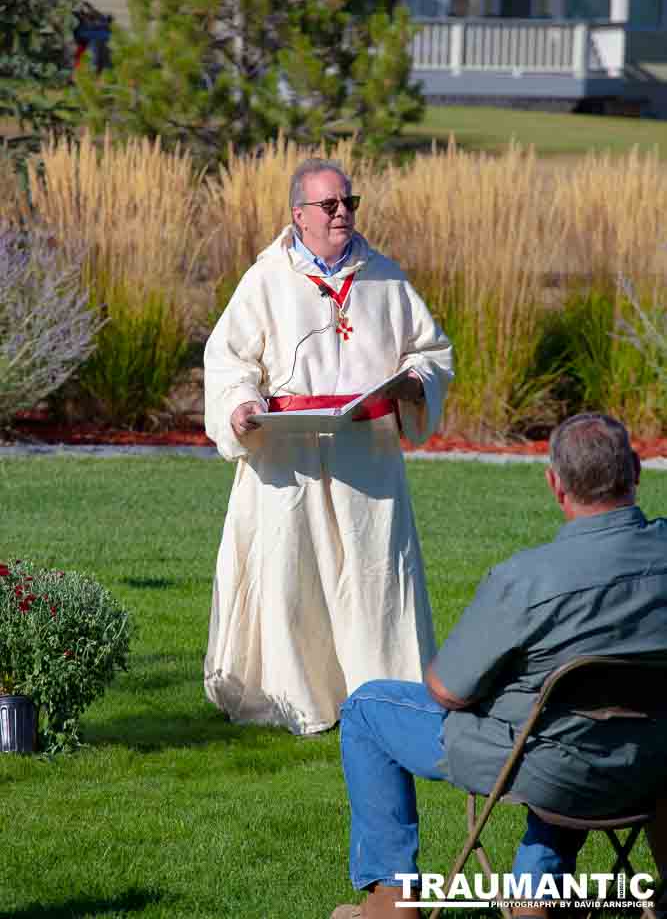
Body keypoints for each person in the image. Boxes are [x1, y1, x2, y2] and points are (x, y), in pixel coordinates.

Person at [333, 412, 667, 919]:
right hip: (650, 762)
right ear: (637, 472)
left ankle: (390, 902)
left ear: (554, 483)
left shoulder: (526, 580)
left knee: (365, 709)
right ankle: (534, 893)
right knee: (574, 728)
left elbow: (447, 690)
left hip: (550, 764)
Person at [203, 157, 453, 736]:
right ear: (299, 215)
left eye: (349, 203)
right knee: (291, 576)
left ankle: (380, 694)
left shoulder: (385, 277)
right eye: (330, 205)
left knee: (373, 576)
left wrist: (416, 380)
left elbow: (430, 350)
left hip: (365, 455)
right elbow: (229, 360)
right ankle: (296, 699)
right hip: (286, 457)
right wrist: (240, 404)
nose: (343, 213)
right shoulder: (265, 279)